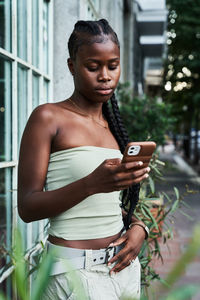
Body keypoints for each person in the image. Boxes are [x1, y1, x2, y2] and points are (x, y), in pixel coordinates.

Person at [18, 19, 150, 300]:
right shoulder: (48, 117)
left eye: (112, 66)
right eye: (93, 67)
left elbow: (108, 205)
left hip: (123, 271)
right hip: (73, 274)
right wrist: (91, 183)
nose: (105, 76)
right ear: (71, 66)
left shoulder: (111, 126)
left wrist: (139, 227)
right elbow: (27, 207)